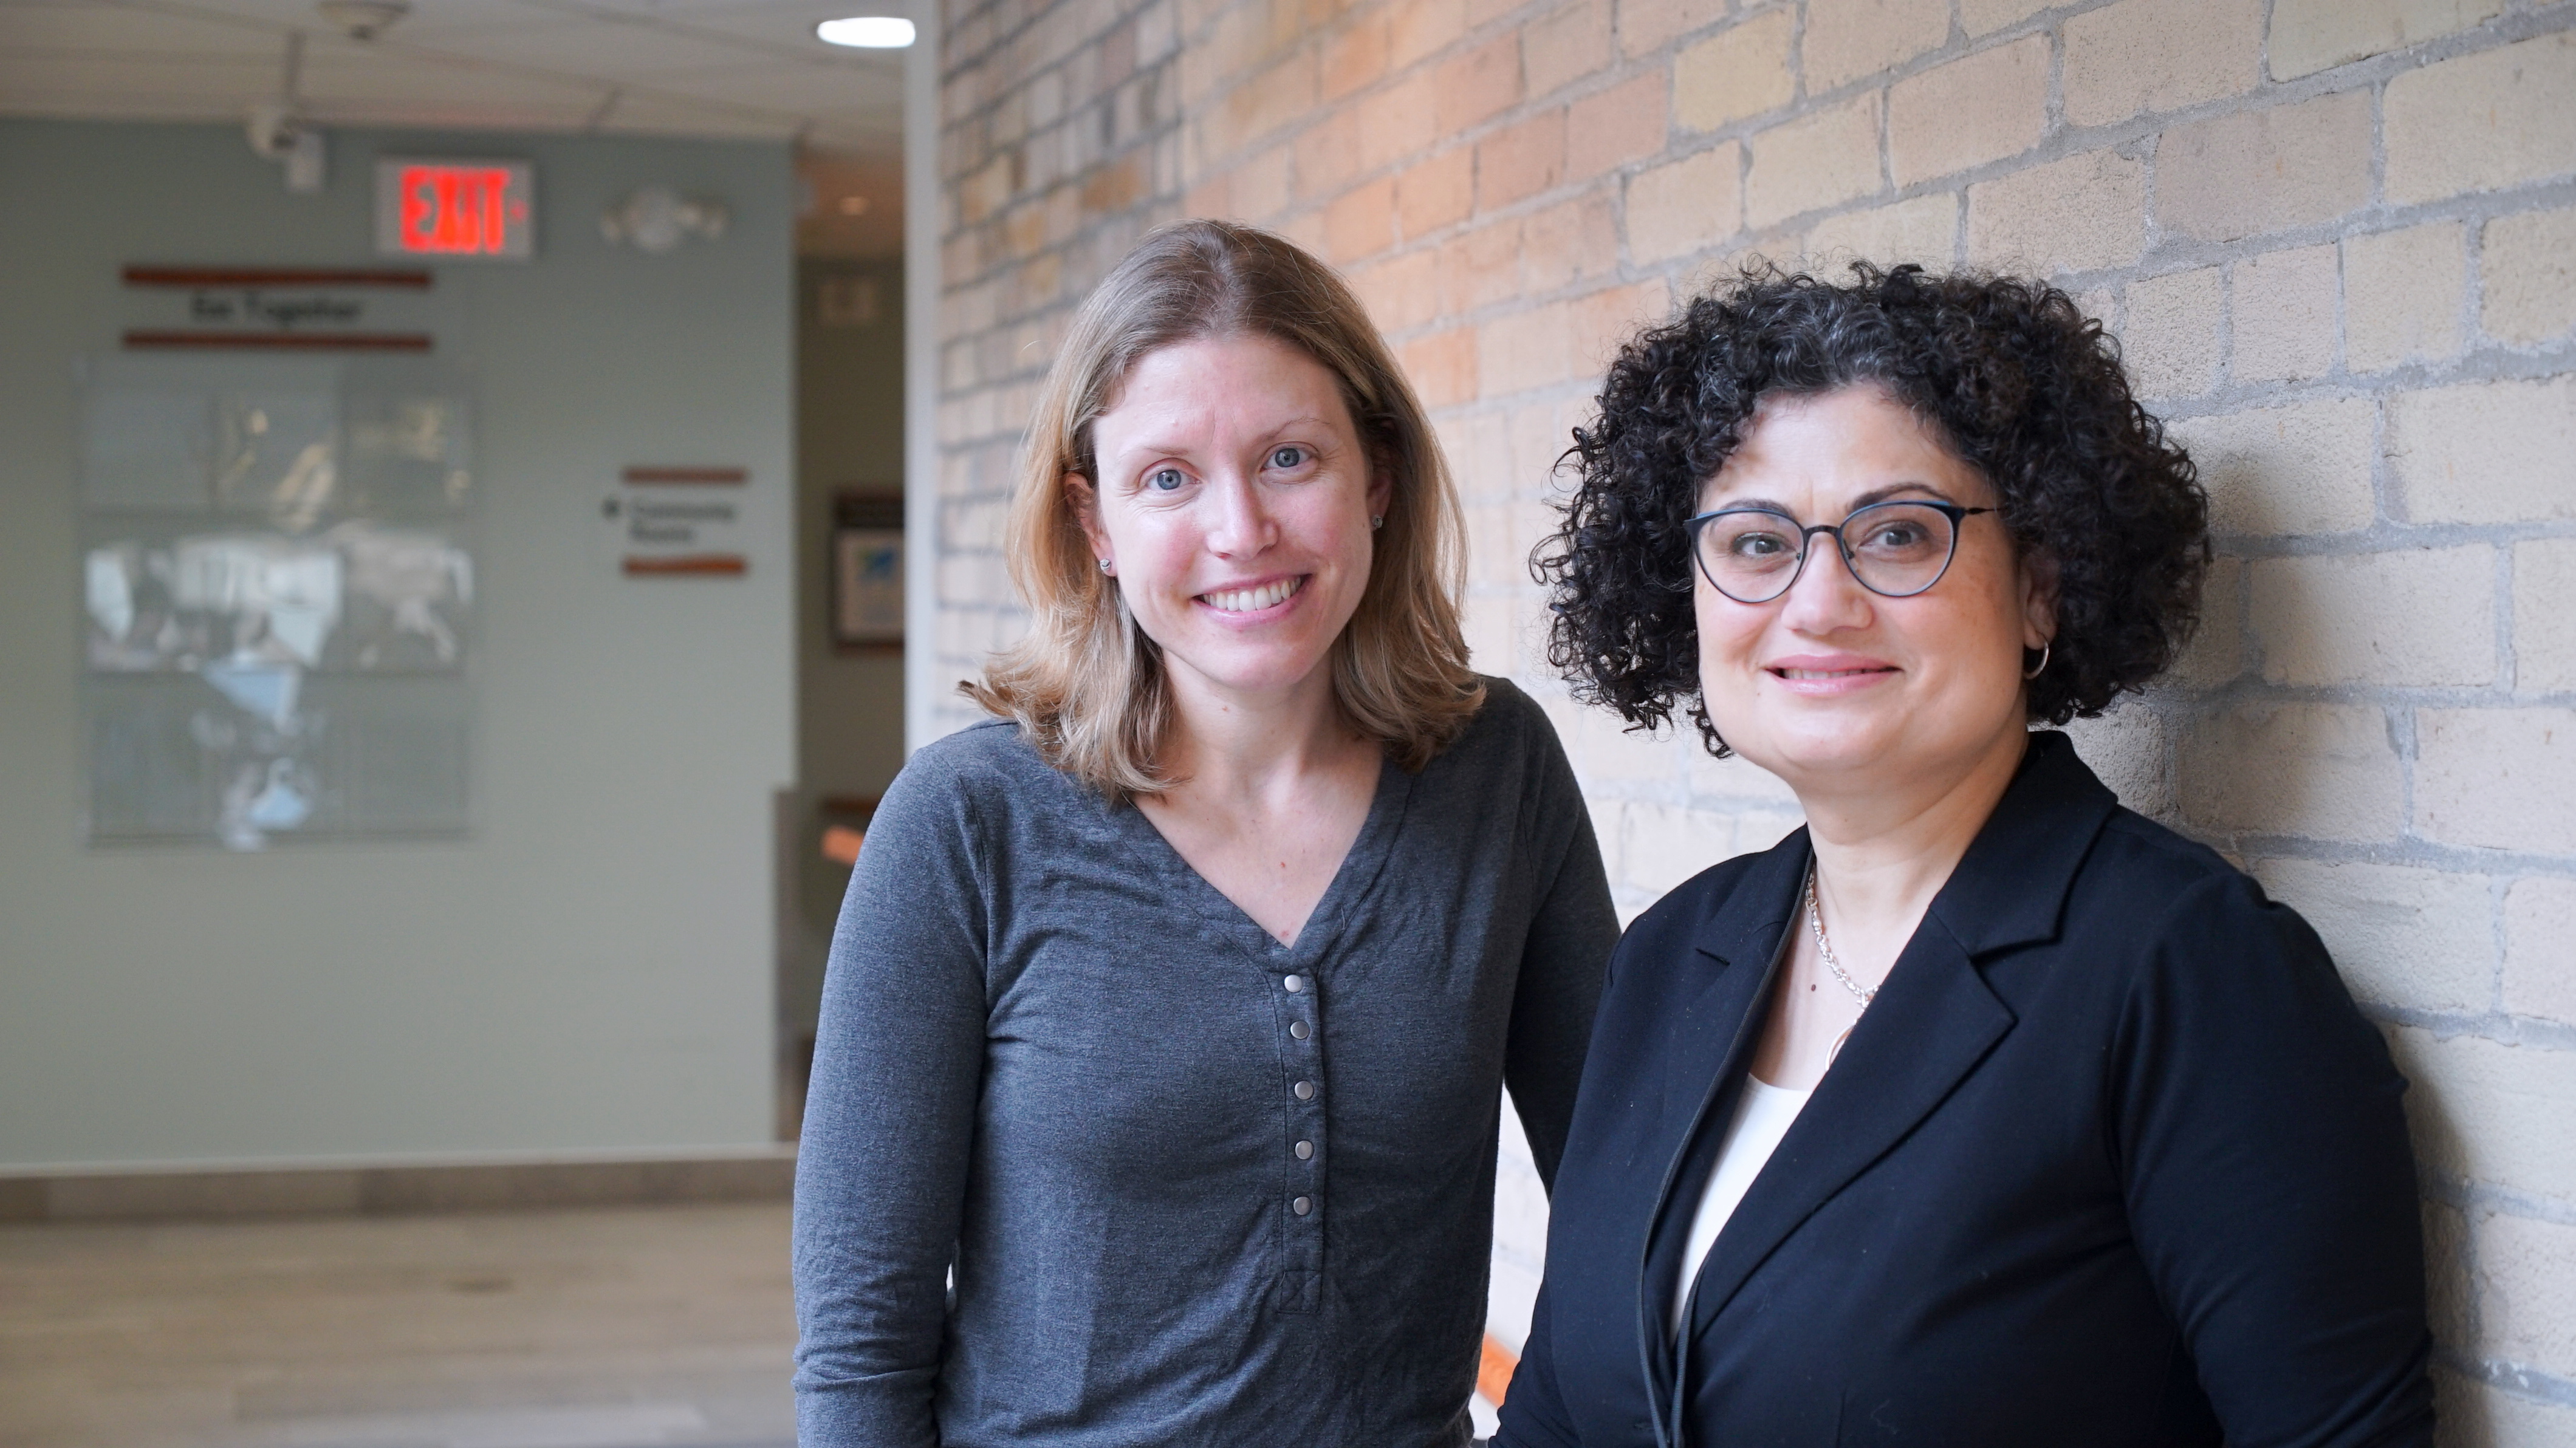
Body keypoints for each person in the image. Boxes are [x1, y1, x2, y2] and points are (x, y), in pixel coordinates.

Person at [1495, 265, 2433, 1447]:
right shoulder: (1670, 957)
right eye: (1752, 541)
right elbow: (1559, 1415)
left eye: (1896, 533)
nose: (1817, 601)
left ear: (2038, 587)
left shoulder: (2186, 976)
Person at [792, 220, 1619, 1447]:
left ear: (1375, 476)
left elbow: (1625, 1206)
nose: (1240, 530)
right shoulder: (964, 827)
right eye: (1166, 476)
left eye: (1289, 457)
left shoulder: (1496, 773)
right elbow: (862, 1343)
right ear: (1096, 524)